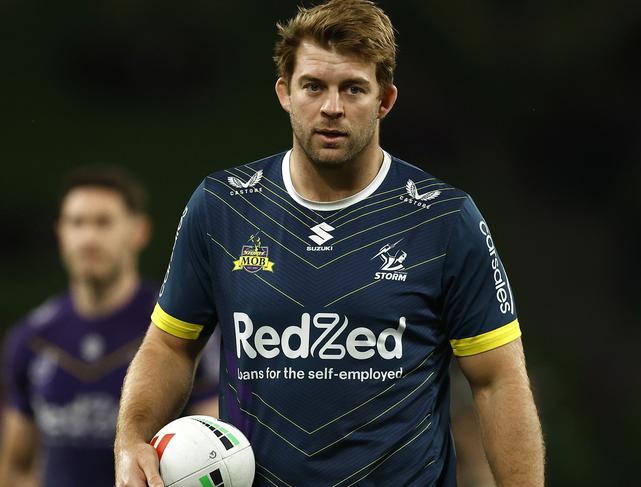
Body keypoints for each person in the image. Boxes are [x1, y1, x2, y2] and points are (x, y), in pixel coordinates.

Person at [114, 1, 545, 485]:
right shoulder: (222, 207)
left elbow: (497, 380)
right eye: (313, 86)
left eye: (354, 89)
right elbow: (170, 346)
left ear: (385, 100)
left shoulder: (445, 218)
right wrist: (131, 439)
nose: (332, 107)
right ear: (285, 92)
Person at [0, 166, 219, 487]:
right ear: (60, 232)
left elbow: (214, 449)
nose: (89, 238)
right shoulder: (32, 339)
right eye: (77, 223)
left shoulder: (175, 331)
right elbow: (17, 469)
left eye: (103, 222)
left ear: (139, 231)